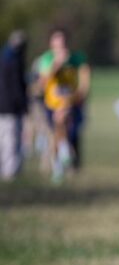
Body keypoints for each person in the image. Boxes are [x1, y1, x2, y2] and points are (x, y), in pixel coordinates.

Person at [37, 28, 91, 182]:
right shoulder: (46, 59)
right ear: (51, 44)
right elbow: (43, 82)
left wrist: (82, 93)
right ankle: (59, 164)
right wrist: (57, 64)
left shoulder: (76, 58)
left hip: (70, 102)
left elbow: (85, 76)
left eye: (63, 43)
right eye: (58, 43)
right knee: (56, 135)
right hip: (51, 103)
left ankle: (65, 152)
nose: (61, 46)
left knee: (62, 120)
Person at [0, 30, 28, 180]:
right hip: (10, 107)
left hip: (4, 106)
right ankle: (10, 172)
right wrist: (23, 105)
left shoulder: (4, 56)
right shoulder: (14, 60)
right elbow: (16, 86)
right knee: (10, 140)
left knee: (4, 139)